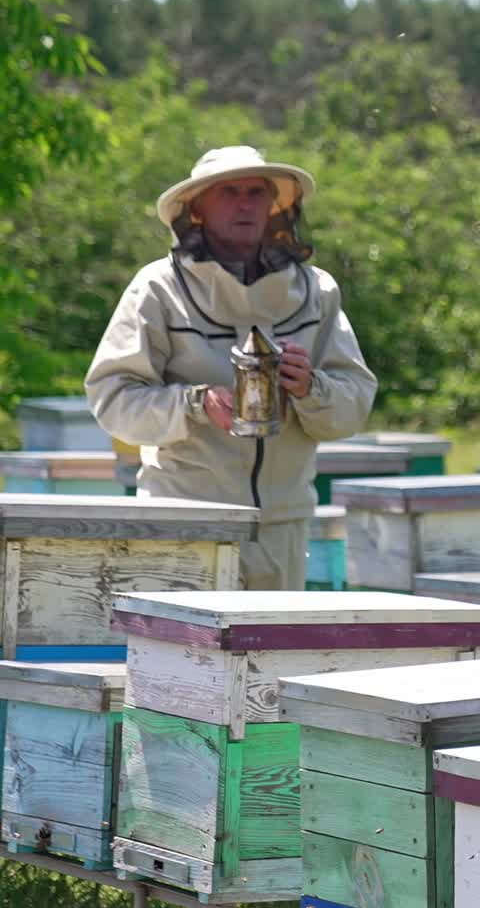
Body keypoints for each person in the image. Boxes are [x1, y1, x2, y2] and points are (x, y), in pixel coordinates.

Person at [85, 146, 377, 589]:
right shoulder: (157, 288)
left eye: (255, 192)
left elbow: (355, 399)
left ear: (274, 205)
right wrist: (195, 404)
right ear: (196, 207)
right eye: (228, 193)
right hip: (184, 519)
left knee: (272, 656)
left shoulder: (318, 290)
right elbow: (113, 398)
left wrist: (311, 388)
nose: (244, 204)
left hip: (283, 525)